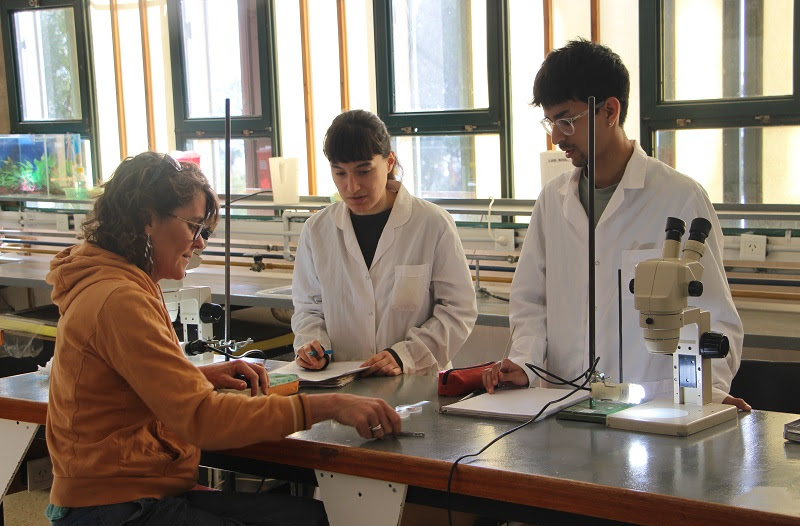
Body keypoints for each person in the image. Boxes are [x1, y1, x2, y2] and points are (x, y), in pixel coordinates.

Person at [44, 151, 402, 526]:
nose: (199, 244)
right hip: (115, 510)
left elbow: (127, 386)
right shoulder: (119, 299)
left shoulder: (118, 282)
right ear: (147, 218)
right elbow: (203, 420)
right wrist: (328, 406)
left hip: (134, 492)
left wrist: (201, 375)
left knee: (311, 518)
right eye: (194, 227)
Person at [481, 39, 750, 411]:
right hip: (566, 407)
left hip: (656, 407)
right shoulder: (551, 203)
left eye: (566, 120)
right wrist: (526, 364)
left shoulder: (680, 198)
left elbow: (715, 318)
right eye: (551, 121)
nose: (556, 137)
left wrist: (708, 393)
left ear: (609, 111)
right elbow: (530, 303)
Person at [292, 110, 477, 376]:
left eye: (364, 171)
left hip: (416, 385)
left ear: (389, 161)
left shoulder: (431, 223)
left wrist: (405, 356)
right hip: (343, 384)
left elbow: (458, 310)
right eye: (340, 173)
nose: (352, 186)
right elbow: (308, 308)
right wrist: (314, 346)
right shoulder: (317, 231)